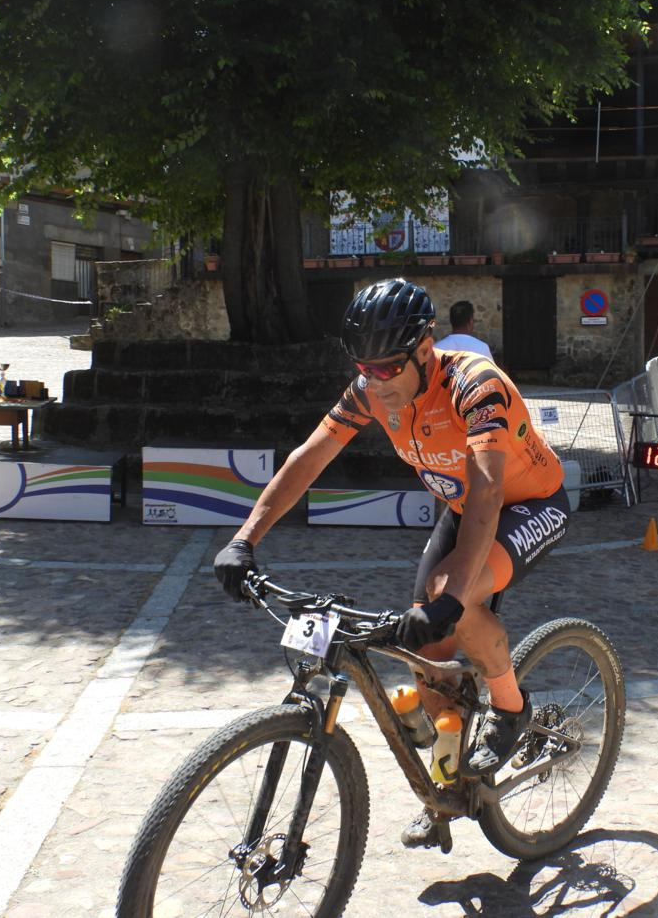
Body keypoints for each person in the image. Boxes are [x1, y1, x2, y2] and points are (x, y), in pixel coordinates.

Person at [212, 278, 569, 848]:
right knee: (427, 659)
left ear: (425, 349)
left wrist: (453, 600)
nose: (374, 381)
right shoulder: (370, 390)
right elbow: (309, 458)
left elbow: (486, 490)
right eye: (363, 368)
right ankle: (444, 793)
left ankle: (511, 707)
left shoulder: (476, 387)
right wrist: (244, 539)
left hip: (526, 502)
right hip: (465, 506)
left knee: (449, 598)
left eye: (385, 368)